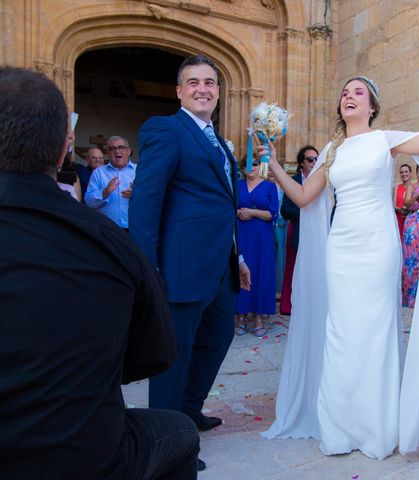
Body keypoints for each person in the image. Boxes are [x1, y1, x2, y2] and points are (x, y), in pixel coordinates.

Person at [262, 58, 419, 465]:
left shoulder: (385, 140)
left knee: (375, 331)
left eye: (358, 92)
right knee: (340, 332)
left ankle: (376, 428)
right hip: (341, 249)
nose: (348, 97)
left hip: (377, 247)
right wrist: (272, 165)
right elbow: (305, 198)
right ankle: (339, 428)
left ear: (373, 105)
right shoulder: (331, 149)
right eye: (345, 92)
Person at [0, 67, 199, 480]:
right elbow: (155, 354)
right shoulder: (112, 246)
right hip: (82, 455)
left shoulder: (118, 234)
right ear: (64, 150)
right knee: (178, 433)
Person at [129, 54, 251, 472]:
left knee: (218, 339)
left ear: (219, 91)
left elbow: (222, 205)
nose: (203, 88)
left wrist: (239, 256)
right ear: (179, 90)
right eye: (193, 82)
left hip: (221, 266)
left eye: (211, 82)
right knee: (174, 354)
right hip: (180, 266)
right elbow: (146, 204)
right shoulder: (166, 129)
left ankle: (189, 410)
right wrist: (149, 270)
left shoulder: (219, 140)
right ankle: (168, 443)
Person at [235, 155, 279, 336]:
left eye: (254, 163)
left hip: (263, 237)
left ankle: (259, 317)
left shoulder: (269, 186)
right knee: (240, 271)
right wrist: (239, 213)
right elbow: (228, 207)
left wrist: (252, 212)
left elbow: (273, 213)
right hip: (242, 234)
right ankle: (240, 316)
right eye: (246, 163)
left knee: (261, 272)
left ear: (260, 166)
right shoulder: (236, 185)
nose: (250, 166)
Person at [279, 145, 319, 315]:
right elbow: (285, 210)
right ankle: (288, 305)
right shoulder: (293, 181)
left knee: (314, 269)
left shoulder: (321, 180)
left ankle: (310, 305)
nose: (314, 162)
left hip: (316, 232)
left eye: (317, 159)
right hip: (297, 229)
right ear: (301, 162)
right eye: (310, 159)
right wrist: (305, 209)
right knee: (292, 268)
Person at [85, 135, 136, 230]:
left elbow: (153, 199)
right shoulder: (99, 172)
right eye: (112, 148)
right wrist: (105, 193)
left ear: (128, 151)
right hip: (107, 229)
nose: (117, 151)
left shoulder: (139, 171)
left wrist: (137, 194)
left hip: (135, 228)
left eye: (121, 147)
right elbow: (89, 202)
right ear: (108, 153)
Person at [401, 165, 419, 308]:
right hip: (414, 222)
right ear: (417, 172)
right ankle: (411, 296)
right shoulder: (412, 186)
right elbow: (407, 203)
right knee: (413, 258)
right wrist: (416, 196)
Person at [394, 163, 413, 239]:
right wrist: (400, 210)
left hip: (411, 219)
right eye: (401, 172)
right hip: (399, 219)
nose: (404, 174)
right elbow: (394, 205)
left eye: (406, 171)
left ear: (410, 173)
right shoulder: (397, 187)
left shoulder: (414, 187)